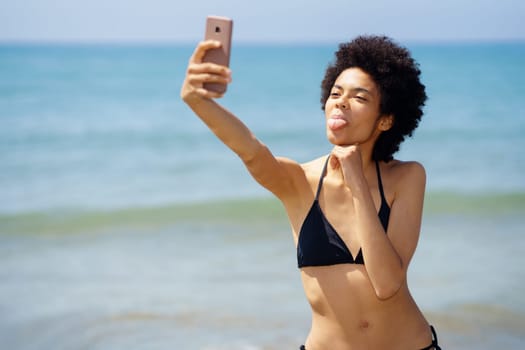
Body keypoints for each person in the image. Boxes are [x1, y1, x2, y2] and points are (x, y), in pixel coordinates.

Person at [180, 35, 441, 350]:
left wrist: (356, 179)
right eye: (336, 92)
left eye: (359, 97)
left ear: (385, 120)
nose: (341, 101)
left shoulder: (407, 177)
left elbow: (387, 284)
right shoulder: (299, 181)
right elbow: (250, 150)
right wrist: (198, 100)